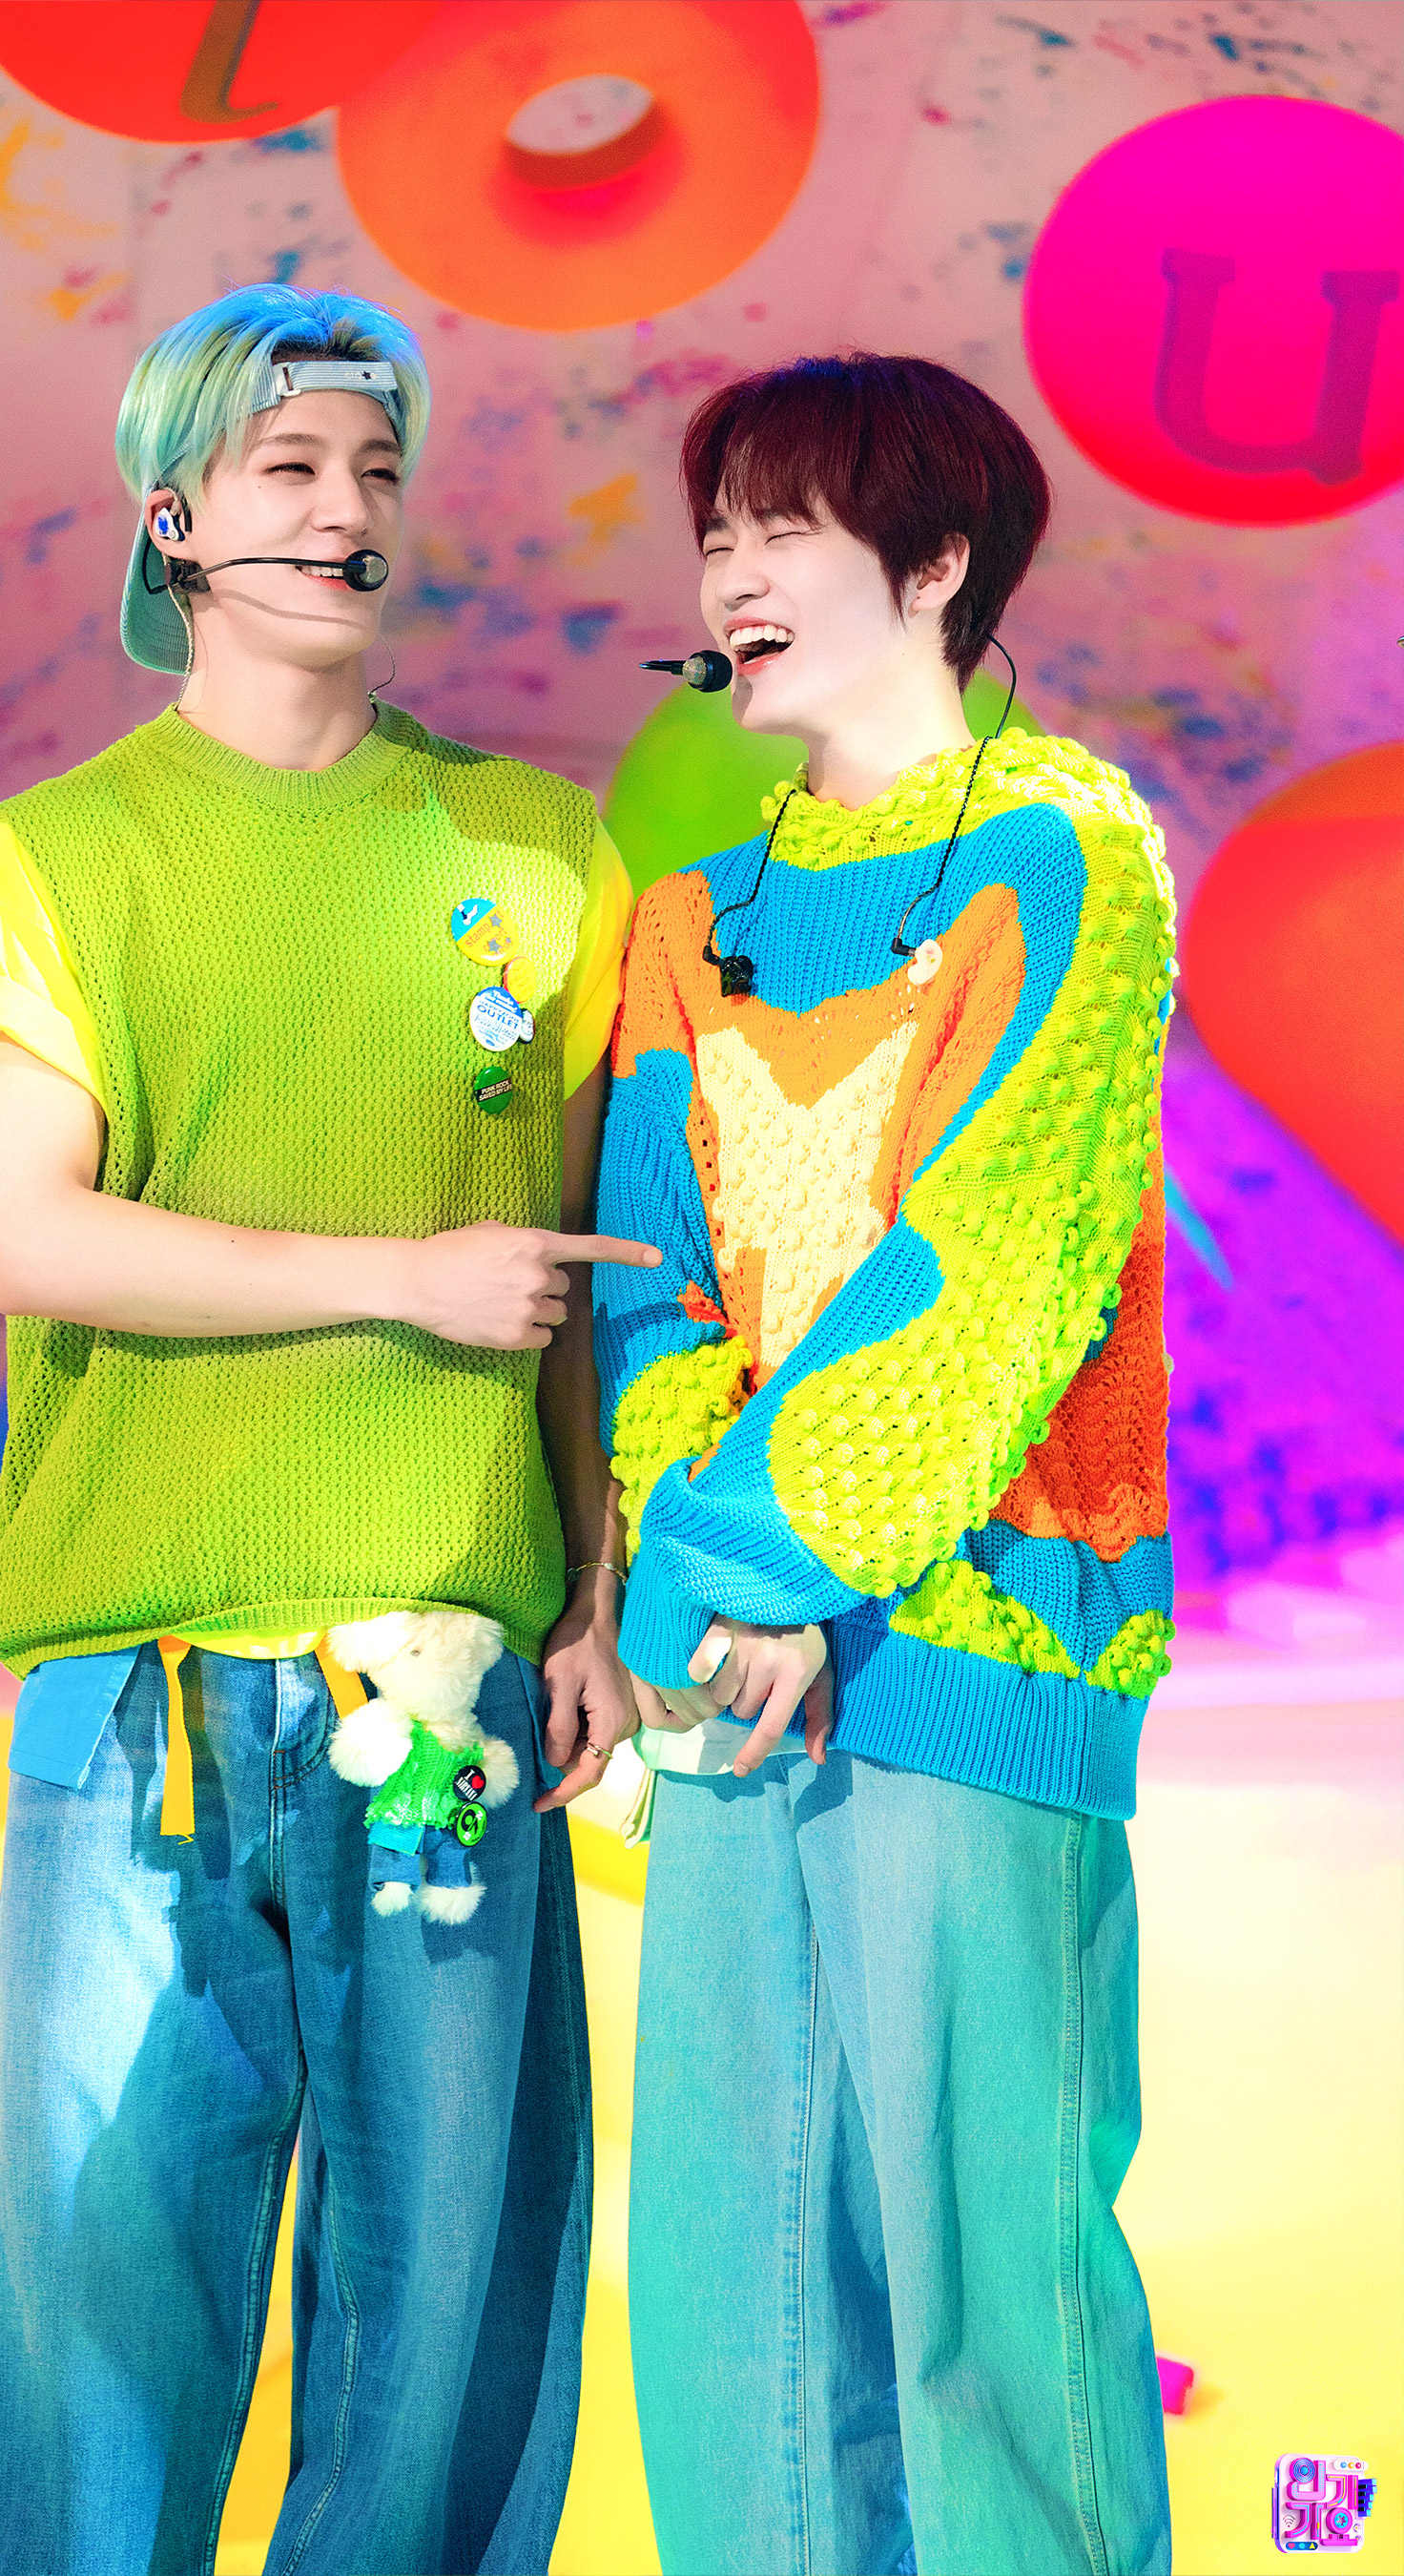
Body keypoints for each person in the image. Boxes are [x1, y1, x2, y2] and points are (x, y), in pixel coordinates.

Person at [0, 283, 654, 2576]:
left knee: (439, 2317)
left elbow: (575, 1293)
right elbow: (34, 1237)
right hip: (147, 1703)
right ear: (177, 521)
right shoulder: (58, 855)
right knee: (87, 2301)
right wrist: (400, 1277)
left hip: (453, 1690)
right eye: (293, 467)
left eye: (378, 471)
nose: (346, 509)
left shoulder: (543, 850)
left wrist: (594, 1592)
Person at [592, 355, 1176, 2576]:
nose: (729, 574)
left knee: (983, 2310)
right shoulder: (683, 921)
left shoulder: (1069, 849)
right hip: (734, 1679)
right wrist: (705, 1605)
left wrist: (759, 1567)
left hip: (971, 1647)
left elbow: (995, 1260)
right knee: (740, 2307)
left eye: (783, 529)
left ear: (935, 567)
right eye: (714, 535)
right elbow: (651, 1286)